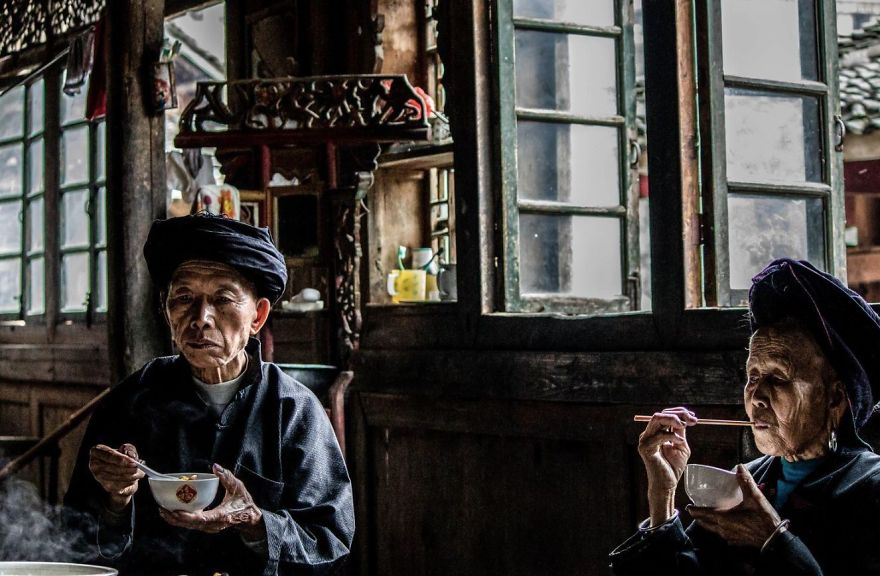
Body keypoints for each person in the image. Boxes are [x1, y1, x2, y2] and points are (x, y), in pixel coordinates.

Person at [64, 214, 354, 575]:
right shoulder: (131, 401)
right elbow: (74, 540)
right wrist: (115, 501)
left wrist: (255, 522)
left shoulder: (293, 410)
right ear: (167, 311)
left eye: (222, 299)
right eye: (184, 297)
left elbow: (331, 543)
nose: (201, 317)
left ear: (257, 317)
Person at [609, 258, 880, 575]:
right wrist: (662, 495)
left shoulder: (870, 488)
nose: (757, 396)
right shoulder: (743, 483)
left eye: (777, 378)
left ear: (834, 397)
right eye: (752, 377)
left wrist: (773, 540)